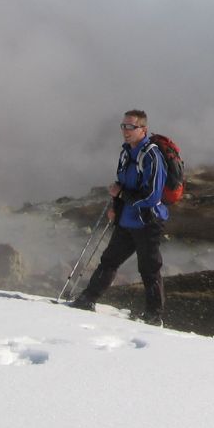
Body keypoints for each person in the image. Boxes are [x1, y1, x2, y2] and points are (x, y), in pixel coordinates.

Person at [71, 109, 168, 325]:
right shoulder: (126, 153)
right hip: (127, 219)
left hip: (147, 221)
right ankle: (87, 299)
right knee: (109, 261)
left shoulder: (151, 155)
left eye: (131, 127)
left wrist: (121, 196)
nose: (125, 131)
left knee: (149, 268)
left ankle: (154, 316)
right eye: (123, 126)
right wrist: (116, 207)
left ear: (143, 129)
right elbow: (120, 183)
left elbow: (152, 196)